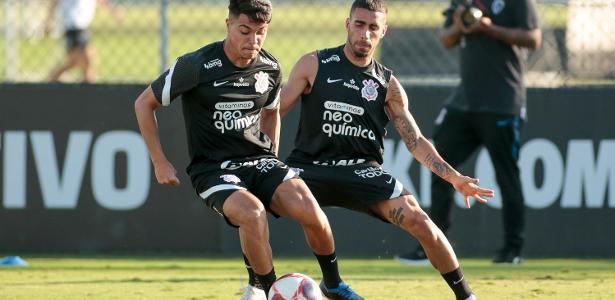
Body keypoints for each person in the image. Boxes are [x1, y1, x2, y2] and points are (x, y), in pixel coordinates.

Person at [260, 0, 493, 299]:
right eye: (359, 24)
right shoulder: (314, 64)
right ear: (347, 24)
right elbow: (273, 113)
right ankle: (294, 285)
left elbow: (416, 141)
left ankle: (466, 296)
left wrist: (455, 178)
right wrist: (254, 158)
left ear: (383, 32)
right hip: (309, 168)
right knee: (252, 207)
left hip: (362, 171)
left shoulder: (388, 85)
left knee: (421, 221)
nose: (364, 34)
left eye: (373, 27)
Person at [133, 1, 362, 300]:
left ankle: (332, 283)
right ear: (228, 24)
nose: (252, 40)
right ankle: (269, 292)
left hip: (259, 161)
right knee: (252, 213)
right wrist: (159, 161)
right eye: (245, 31)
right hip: (213, 169)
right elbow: (143, 103)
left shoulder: (270, 67)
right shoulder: (196, 65)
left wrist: (272, 161)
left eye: (260, 32)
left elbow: (271, 112)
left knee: (308, 205)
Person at [396, 0, 541, 265]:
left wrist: (489, 28)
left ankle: (512, 249)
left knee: (507, 176)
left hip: (503, 102)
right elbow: (447, 39)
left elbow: (533, 38)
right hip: (465, 102)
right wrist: (461, 25)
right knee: (438, 164)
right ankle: (435, 245)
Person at [45, 0, 123, 83]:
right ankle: (53, 78)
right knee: (87, 60)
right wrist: (48, 21)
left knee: (81, 62)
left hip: (82, 28)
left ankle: (54, 78)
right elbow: (54, 3)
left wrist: (114, 10)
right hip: (73, 27)